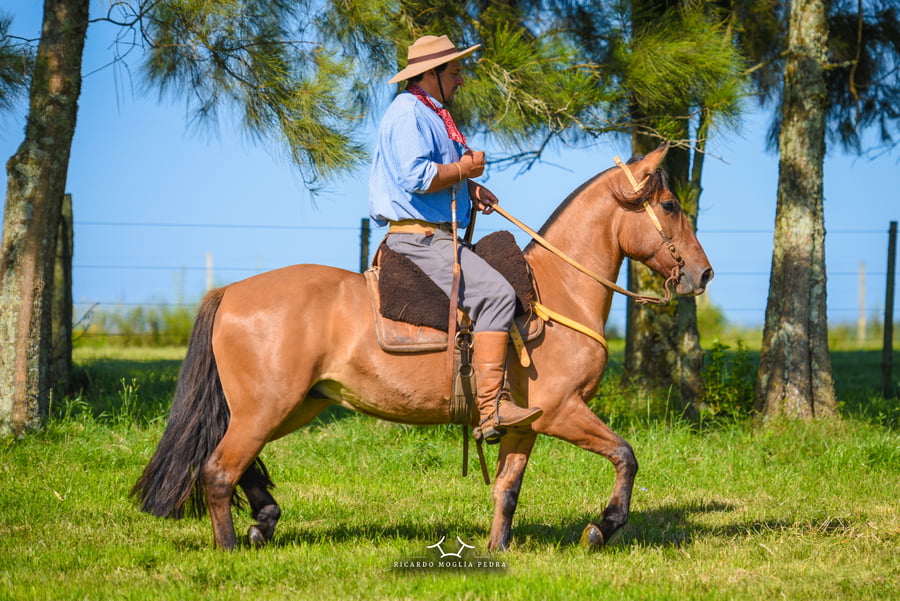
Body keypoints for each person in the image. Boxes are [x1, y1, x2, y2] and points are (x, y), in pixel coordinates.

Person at [369, 35, 542, 443]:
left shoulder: (431, 112)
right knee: (498, 296)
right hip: (420, 240)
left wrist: (469, 190)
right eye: (455, 71)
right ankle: (490, 408)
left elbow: (434, 175)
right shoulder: (409, 113)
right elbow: (418, 177)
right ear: (431, 74)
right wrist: (464, 170)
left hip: (436, 235)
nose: (462, 79)